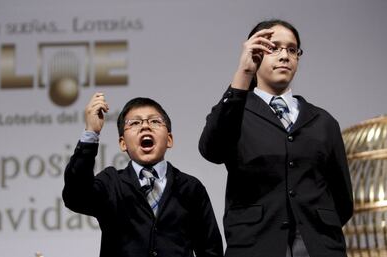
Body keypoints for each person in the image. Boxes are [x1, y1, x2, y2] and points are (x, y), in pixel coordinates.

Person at [199, 19, 353, 257]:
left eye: (292, 49)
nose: (284, 56)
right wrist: (243, 73)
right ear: (255, 53)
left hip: (318, 246)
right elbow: (212, 150)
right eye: (274, 48)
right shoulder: (234, 112)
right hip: (256, 244)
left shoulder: (323, 121)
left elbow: (342, 199)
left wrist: (318, 230)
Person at [63, 93, 223, 257]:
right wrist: (91, 133)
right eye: (135, 123)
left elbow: (211, 249)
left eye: (155, 121)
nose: (145, 126)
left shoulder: (190, 187)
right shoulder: (111, 183)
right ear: (123, 143)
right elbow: (75, 196)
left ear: (169, 140)